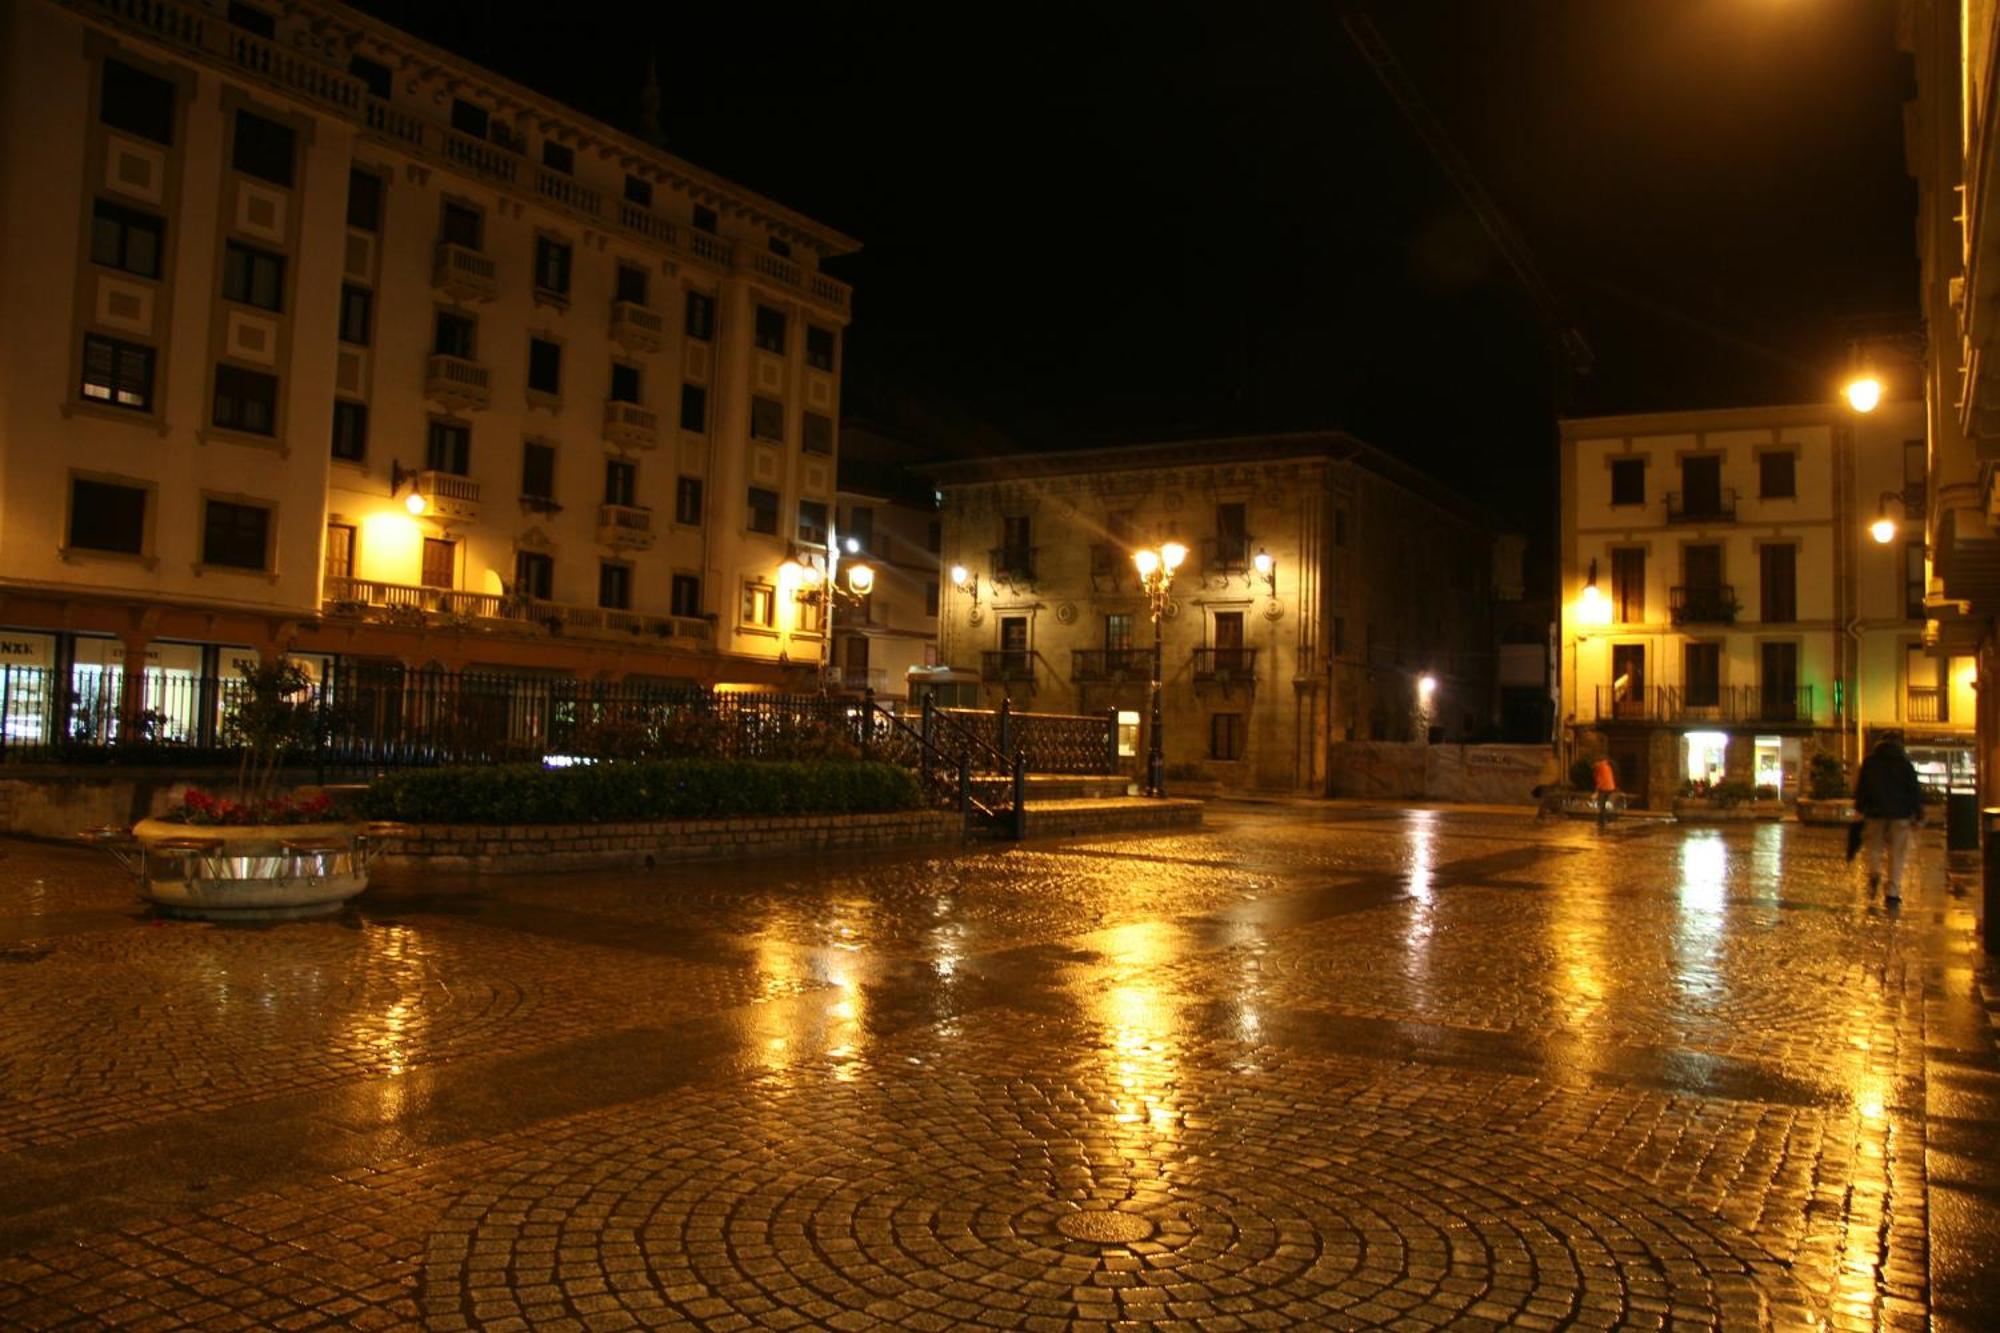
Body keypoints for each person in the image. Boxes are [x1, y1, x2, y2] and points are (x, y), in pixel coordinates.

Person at [1852, 733, 1926, 903]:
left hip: (1874, 813)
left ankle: (1875, 873)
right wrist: (1918, 813)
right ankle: (1892, 891)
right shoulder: (1904, 763)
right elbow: (1913, 790)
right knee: (1897, 853)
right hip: (1900, 815)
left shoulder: (1870, 762)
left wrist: (1860, 808)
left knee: (1874, 848)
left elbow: (1862, 787)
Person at [1591, 755, 1617, 829]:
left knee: (1601, 804)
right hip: (1610, 787)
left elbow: (1600, 780)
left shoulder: (1600, 767)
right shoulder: (1606, 765)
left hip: (1605, 787)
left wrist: (1596, 791)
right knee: (1602, 805)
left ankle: (1602, 821)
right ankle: (1602, 821)